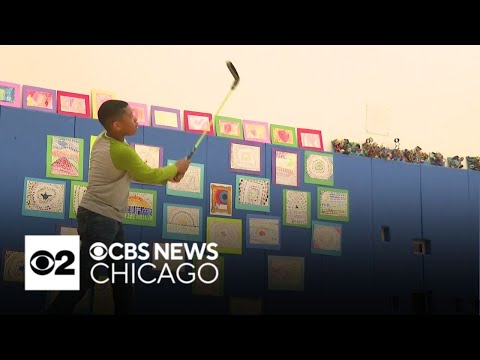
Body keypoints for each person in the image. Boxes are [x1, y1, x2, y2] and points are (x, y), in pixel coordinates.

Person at [47, 100, 191, 315]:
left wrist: (169, 176)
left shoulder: (105, 141)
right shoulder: (120, 151)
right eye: (131, 115)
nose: (136, 119)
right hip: (100, 218)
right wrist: (176, 168)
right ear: (116, 125)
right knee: (85, 277)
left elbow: (136, 173)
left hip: (107, 218)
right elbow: (147, 174)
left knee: (121, 277)